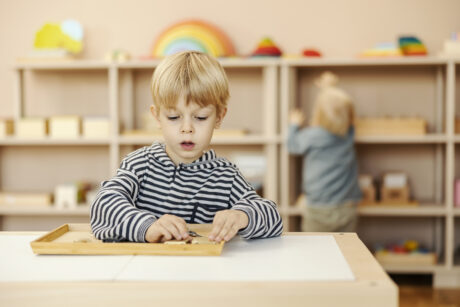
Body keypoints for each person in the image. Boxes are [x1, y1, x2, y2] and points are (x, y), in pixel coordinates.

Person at [90, 51, 283, 243]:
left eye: (200, 118)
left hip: (203, 271)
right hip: (144, 270)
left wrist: (243, 216)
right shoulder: (139, 164)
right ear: (157, 116)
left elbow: (272, 218)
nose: (187, 129)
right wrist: (146, 226)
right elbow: (104, 204)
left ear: (219, 117)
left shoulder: (226, 176)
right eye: (174, 117)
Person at [287, 71, 362, 232]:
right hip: (347, 206)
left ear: (317, 114)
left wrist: (293, 125)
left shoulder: (312, 136)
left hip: (317, 207)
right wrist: (329, 88)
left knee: (314, 249)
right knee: (346, 248)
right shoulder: (347, 135)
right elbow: (337, 109)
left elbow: (293, 146)